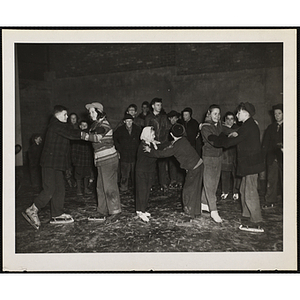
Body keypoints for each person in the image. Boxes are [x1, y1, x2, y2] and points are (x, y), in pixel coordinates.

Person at [22, 105, 83, 229]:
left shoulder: (61, 126)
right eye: (65, 115)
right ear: (58, 115)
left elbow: (70, 133)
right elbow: (71, 134)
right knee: (49, 189)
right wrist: (89, 135)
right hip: (49, 164)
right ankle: (32, 209)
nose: (67, 117)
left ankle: (57, 213)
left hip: (56, 164)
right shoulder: (55, 125)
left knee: (60, 189)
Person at [208, 102, 265, 232]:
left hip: (251, 164)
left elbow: (233, 142)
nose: (236, 114)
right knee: (244, 190)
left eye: (238, 112)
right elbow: (235, 136)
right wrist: (225, 136)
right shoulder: (247, 125)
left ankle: (256, 221)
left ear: (245, 113)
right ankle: (246, 215)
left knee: (250, 192)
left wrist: (216, 140)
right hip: (248, 164)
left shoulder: (248, 126)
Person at [144, 124, 203, 219]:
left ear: (171, 134)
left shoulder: (175, 147)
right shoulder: (182, 140)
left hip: (193, 169)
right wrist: (158, 144)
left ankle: (189, 213)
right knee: (195, 190)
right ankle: (196, 212)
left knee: (188, 191)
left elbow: (162, 154)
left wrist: (150, 150)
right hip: (199, 165)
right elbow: (169, 144)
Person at [82, 102, 121, 223]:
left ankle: (115, 211)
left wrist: (80, 134)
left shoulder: (104, 124)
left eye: (93, 112)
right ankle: (102, 210)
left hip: (108, 159)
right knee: (100, 186)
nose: (91, 114)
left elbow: (97, 138)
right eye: (90, 113)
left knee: (109, 187)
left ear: (99, 112)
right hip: (101, 159)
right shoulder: (95, 124)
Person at [199, 104, 224, 223]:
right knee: (209, 183)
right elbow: (213, 140)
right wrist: (227, 140)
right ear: (209, 114)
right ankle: (214, 211)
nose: (217, 116)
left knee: (214, 182)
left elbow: (226, 130)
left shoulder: (218, 125)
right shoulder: (205, 127)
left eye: (219, 114)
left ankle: (204, 203)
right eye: (215, 114)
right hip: (208, 157)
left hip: (218, 156)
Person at [145, 98, 171, 191]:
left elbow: (168, 129)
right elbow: (147, 132)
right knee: (151, 165)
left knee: (162, 165)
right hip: (153, 144)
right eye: (157, 105)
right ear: (153, 106)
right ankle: (150, 184)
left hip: (162, 144)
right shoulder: (148, 118)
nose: (159, 107)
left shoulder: (164, 117)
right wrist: (151, 142)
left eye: (160, 105)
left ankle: (163, 184)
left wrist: (166, 142)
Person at [135, 126, 160, 222]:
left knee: (147, 191)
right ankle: (140, 211)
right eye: (152, 134)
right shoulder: (144, 146)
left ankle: (143, 209)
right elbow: (154, 155)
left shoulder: (150, 144)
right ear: (146, 135)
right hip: (142, 171)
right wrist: (155, 147)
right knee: (142, 191)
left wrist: (155, 144)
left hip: (149, 171)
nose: (154, 136)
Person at [262, 103, 283, 209]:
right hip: (272, 159)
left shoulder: (290, 126)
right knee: (271, 180)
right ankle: (270, 200)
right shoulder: (270, 128)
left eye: (279, 113)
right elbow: (265, 144)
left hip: (284, 159)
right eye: (275, 114)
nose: (276, 116)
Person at [113, 113, 141, 192]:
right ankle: (123, 187)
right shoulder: (119, 130)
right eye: (127, 121)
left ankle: (136, 187)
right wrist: (119, 149)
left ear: (133, 121)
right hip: (124, 155)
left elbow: (141, 140)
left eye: (130, 121)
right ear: (124, 121)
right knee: (124, 173)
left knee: (135, 172)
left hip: (134, 154)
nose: (129, 123)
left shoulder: (137, 129)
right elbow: (115, 140)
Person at [220, 112, 241, 201]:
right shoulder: (221, 129)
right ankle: (225, 191)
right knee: (225, 173)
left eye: (231, 119)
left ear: (234, 120)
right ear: (224, 120)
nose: (229, 121)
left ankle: (236, 191)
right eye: (227, 119)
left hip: (235, 154)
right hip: (225, 154)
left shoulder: (237, 129)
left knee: (236, 174)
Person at [71, 120, 93, 196]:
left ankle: (86, 188)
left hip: (87, 158)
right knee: (78, 174)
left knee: (87, 174)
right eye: (82, 125)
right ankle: (79, 189)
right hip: (79, 159)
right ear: (79, 126)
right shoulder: (77, 135)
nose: (84, 127)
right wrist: (74, 158)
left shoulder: (89, 136)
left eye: (85, 125)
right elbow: (73, 148)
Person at [167, 110, 184, 188]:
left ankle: (180, 181)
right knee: (172, 164)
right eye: (172, 118)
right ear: (169, 119)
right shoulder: (167, 127)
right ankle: (173, 180)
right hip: (170, 148)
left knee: (179, 164)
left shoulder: (180, 127)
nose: (173, 120)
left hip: (178, 149)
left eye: (175, 118)